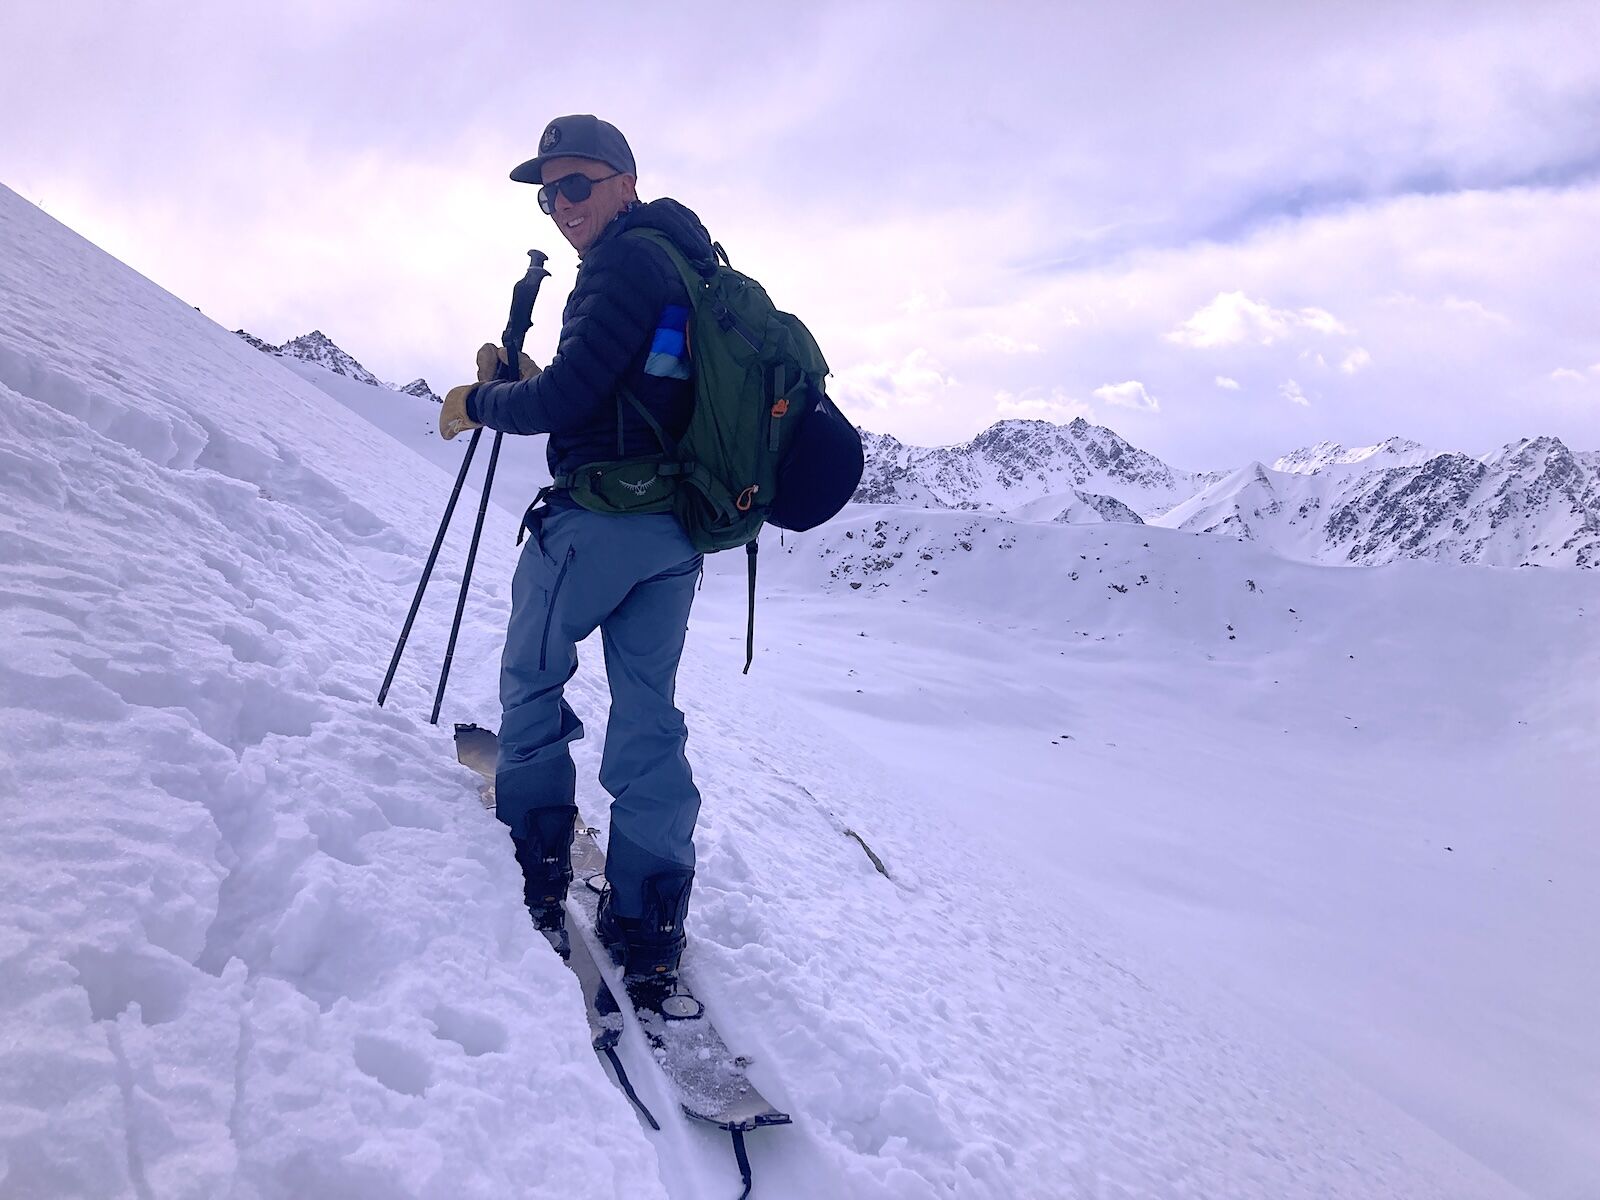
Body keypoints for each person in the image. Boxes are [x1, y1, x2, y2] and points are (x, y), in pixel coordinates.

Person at [439, 115, 715, 985]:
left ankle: (537, 854)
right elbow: (624, 390)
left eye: (577, 185)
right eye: (549, 192)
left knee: (531, 676)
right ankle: (649, 913)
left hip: (598, 522)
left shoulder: (619, 265)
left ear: (625, 181)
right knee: (648, 715)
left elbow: (565, 399)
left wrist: (483, 400)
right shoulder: (690, 262)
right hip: (676, 533)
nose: (561, 205)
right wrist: (528, 381)